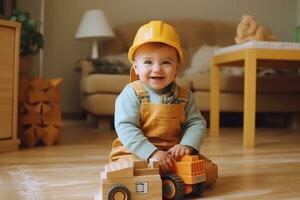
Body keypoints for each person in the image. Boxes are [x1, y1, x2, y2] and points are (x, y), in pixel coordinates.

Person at [109, 20, 218, 188]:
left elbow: (196, 123)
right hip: (136, 151)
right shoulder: (131, 93)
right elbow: (125, 126)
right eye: (148, 62)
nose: (157, 69)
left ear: (177, 67)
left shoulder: (185, 96)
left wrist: (186, 145)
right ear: (136, 67)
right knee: (128, 168)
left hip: (173, 154)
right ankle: (162, 181)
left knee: (209, 171)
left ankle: (168, 183)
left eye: (166, 62)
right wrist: (152, 153)